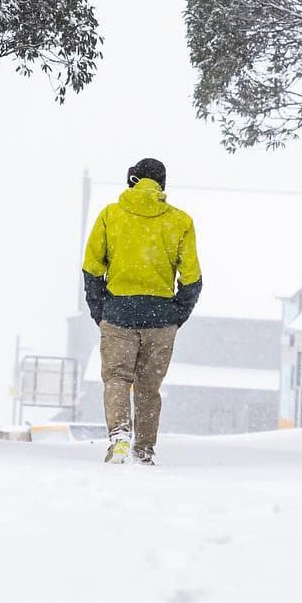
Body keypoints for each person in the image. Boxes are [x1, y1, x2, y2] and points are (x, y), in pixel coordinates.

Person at [82, 158, 202, 465]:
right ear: (162, 185)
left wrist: (101, 310)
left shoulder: (110, 216)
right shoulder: (181, 222)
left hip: (119, 314)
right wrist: (176, 315)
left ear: (133, 180)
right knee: (149, 388)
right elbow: (191, 278)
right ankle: (145, 450)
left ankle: (120, 436)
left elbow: (92, 268)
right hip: (161, 318)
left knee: (117, 379)